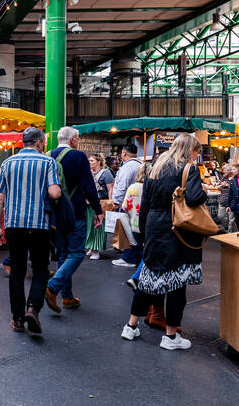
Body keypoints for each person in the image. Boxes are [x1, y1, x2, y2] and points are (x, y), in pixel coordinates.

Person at [121, 134, 207, 350]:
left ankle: (130, 326)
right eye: (197, 151)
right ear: (190, 150)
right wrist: (203, 192)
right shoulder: (189, 169)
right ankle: (170, 337)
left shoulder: (155, 168)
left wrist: (144, 234)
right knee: (177, 283)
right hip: (176, 229)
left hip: (153, 227)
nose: (197, 155)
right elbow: (195, 198)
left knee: (148, 279)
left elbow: (146, 203)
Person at [0, 127, 61, 334]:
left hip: (14, 225)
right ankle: (33, 308)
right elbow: (55, 193)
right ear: (39, 143)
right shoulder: (48, 162)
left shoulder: (7, 163)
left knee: (18, 271)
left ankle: (18, 319)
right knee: (40, 269)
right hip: (39, 225)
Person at [45, 127, 103, 313]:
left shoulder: (48, 155)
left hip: (55, 213)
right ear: (72, 140)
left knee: (63, 254)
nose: (78, 141)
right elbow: (88, 186)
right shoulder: (78, 157)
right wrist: (97, 210)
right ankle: (53, 286)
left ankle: (67, 297)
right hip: (75, 211)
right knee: (77, 253)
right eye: (77, 138)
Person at [112, 144, 142, 268]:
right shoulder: (141, 164)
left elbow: (121, 186)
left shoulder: (127, 167)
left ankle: (129, 258)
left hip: (127, 203)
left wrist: (116, 202)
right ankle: (135, 257)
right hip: (139, 204)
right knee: (136, 231)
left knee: (127, 231)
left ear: (124, 153)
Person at [86, 153, 113, 260]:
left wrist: (111, 203)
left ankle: (96, 250)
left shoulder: (106, 173)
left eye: (92, 161)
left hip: (101, 203)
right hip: (89, 203)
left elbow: (110, 189)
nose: (89, 163)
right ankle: (91, 247)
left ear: (99, 162)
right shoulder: (88, 172)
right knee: (90, 226)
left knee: (98, 227)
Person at [226, 162, 239, 233]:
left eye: (234, 169)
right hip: (235, 206)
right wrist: (228, 205)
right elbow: (230, 194)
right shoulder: (232, 180)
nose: (232, 171)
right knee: (237, 223)